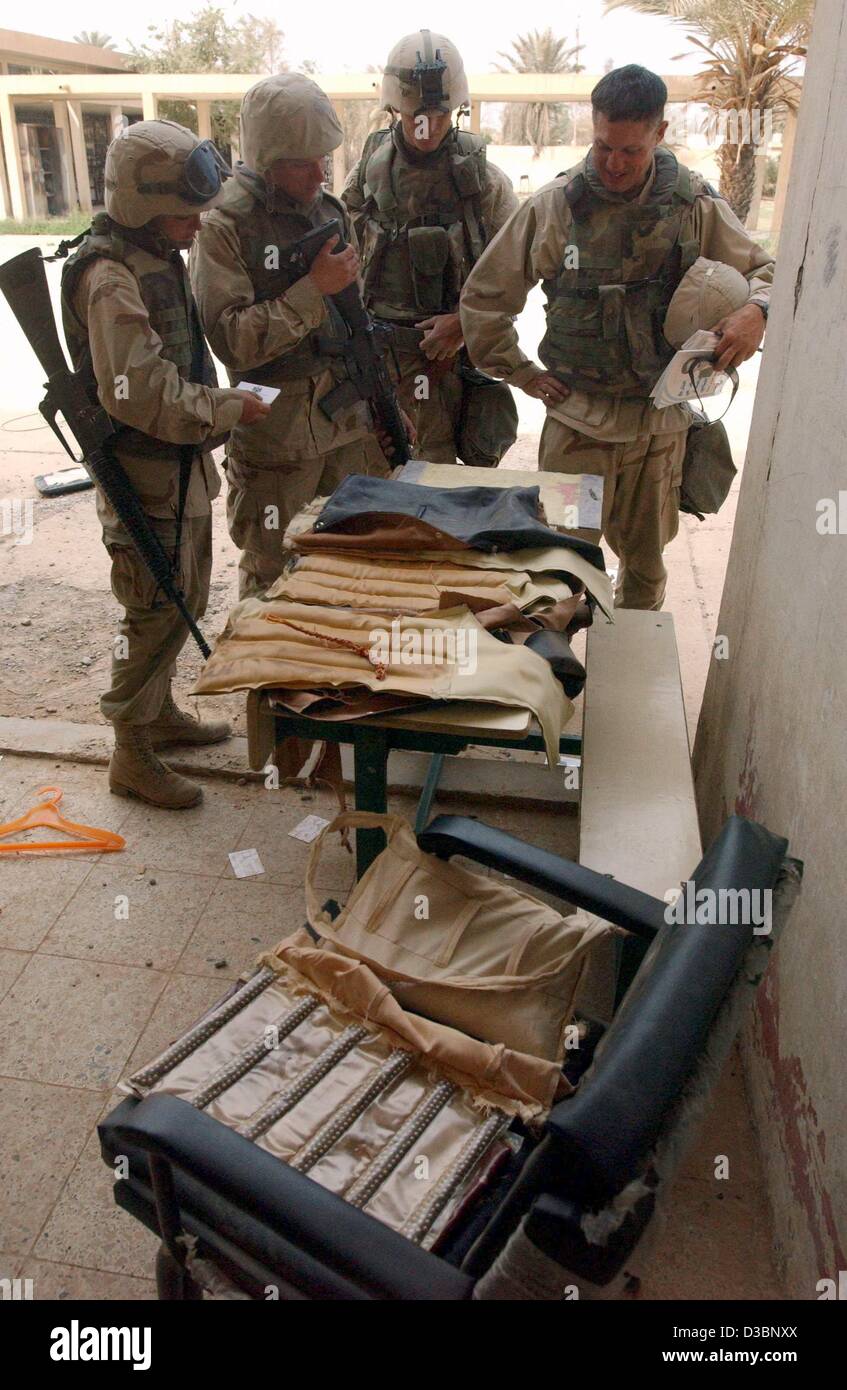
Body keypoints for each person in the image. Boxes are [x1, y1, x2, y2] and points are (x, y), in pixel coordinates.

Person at [460, 64, 775, 609]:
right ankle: (558, 686)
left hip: (659, 433)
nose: (614, 163)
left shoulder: (693, 206)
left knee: (646, 576)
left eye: (631, 150)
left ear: (660, 132)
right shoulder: (555, 207)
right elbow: (485, 300)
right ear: (593, 124)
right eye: (604, 145)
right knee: (559, 575)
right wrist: (523, 373)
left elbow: (766, 272)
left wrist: (757, 312)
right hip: (577, 430)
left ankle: (627, 686)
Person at [60, 119, 270, 809]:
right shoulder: (110, 277)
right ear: (143, 203)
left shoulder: (153, 252)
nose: (198, 222)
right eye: (186, 211)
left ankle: (157, 714)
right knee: (152, 611)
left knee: (183, 597)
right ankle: (130, 749)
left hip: (175, 472)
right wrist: (229, 407)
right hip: (143, 477)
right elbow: (139, 393)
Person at [191, 73, 395, 600]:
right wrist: (311, 291)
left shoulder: (331, 212)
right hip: (278, 436)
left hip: (346, 425)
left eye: (323, 157)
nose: (319, 171)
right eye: (303, 161)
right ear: (267, 157)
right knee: (272, 576)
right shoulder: (225, 224)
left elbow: (357, 325)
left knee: (347, 569)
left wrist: (382, 404)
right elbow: (232, 339)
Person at [342, 28, 520, 467]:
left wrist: (463, 323)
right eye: (416, 113)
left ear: (456, 109)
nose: (428, 126)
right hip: (380, 364)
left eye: (439, 114)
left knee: (438, 490)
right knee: (375, 488)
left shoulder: (485, 183)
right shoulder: (365, 177)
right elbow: (336, 268)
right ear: (394, 108)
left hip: (448, 369)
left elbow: (517, 276)